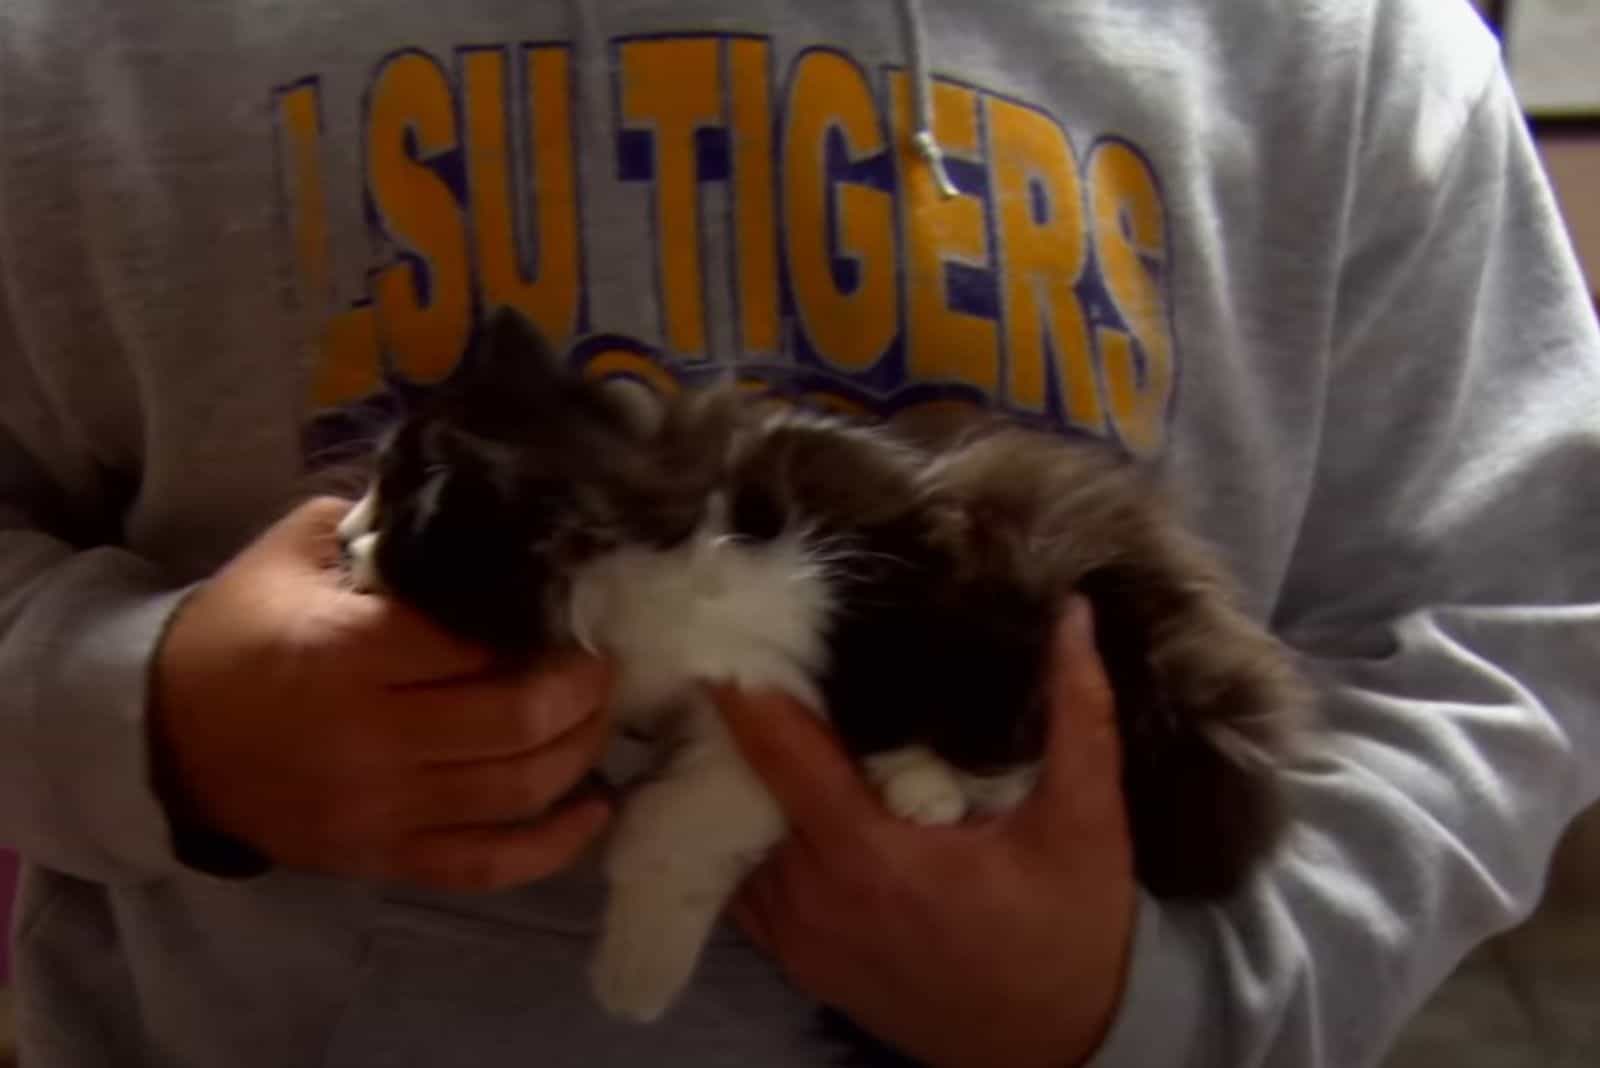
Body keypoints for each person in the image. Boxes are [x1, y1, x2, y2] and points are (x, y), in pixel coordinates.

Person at [2, 0, 1597, 1064]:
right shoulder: (66, 47)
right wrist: (143, 719)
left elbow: (1512, 617)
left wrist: (1150, 1006)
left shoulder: (1345, 42)